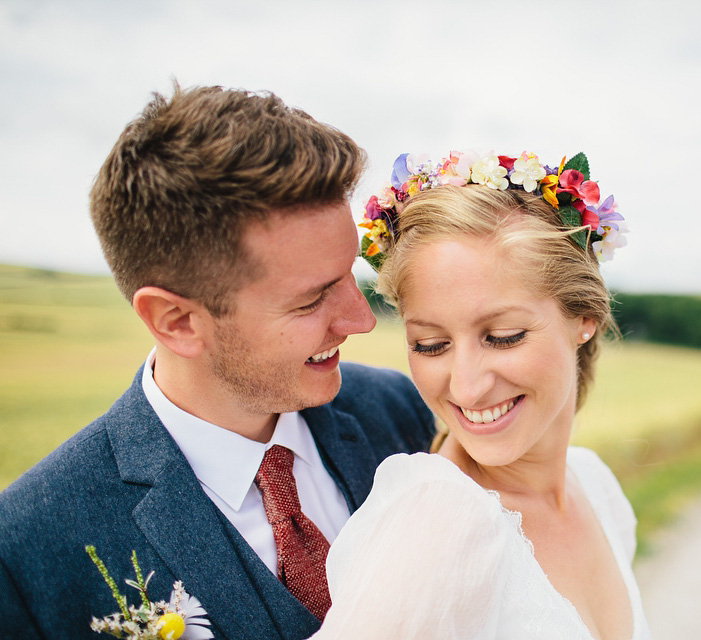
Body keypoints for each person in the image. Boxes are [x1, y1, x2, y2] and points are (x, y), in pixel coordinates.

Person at [0, 85, 435, 639]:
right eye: (311, 299)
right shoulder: (24, 551)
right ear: (175, 321)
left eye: (352, 274)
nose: (361, 319)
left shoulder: (399, 414)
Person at [311, 151, 650, 639]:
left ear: (584, 318)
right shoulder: (439, 523)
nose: (467, 387)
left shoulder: (597, 490)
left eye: (504, 336)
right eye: (431, 345)